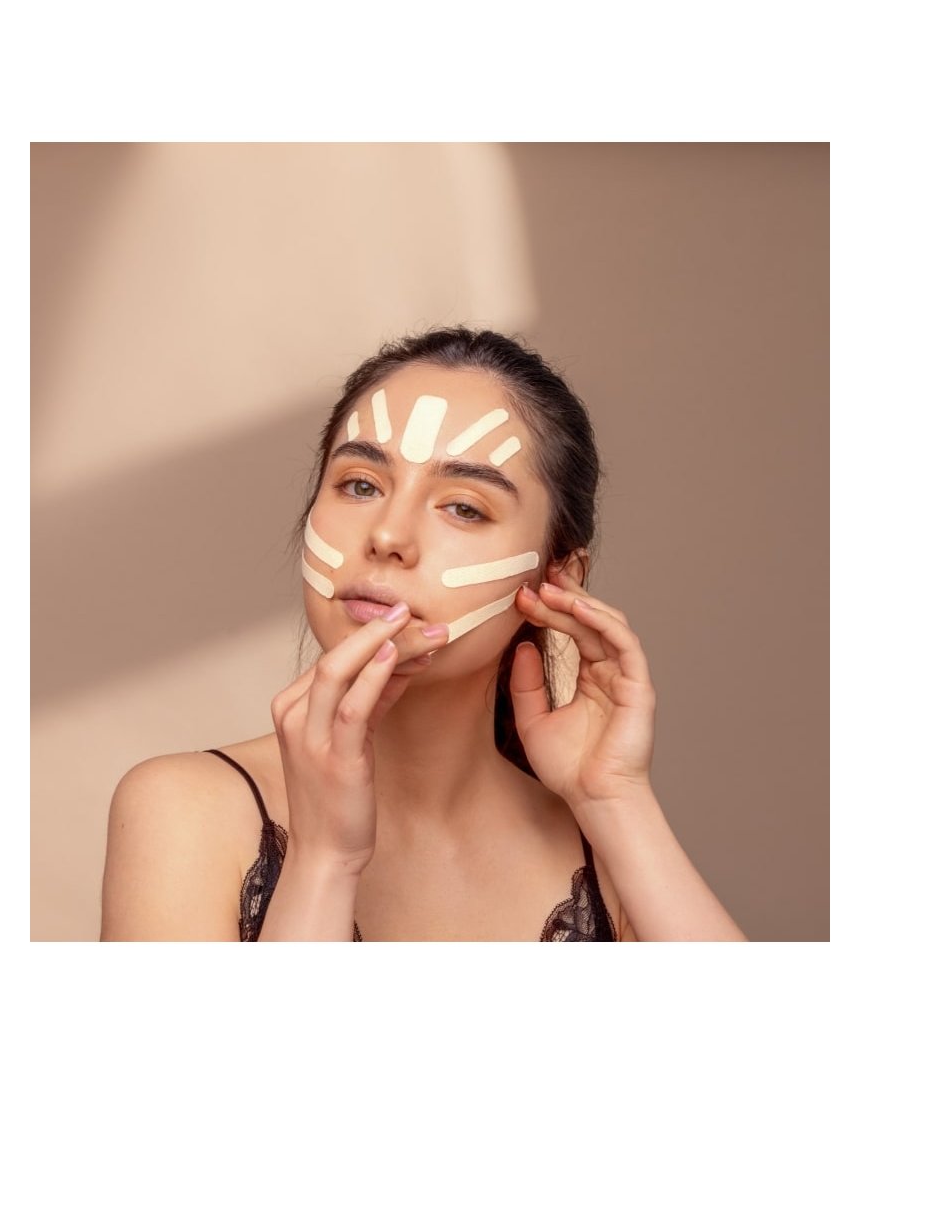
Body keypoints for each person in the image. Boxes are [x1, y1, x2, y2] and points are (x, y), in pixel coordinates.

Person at [101, 327, 746, 941]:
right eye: (360, 485)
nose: (387, 535)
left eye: (464, 507)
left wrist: (616, 797)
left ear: (558, 582)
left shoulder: (607, 855)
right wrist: (324, 861)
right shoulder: (181, 811)